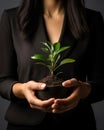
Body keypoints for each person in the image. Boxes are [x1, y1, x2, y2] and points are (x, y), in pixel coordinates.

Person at [0, 0, 104, 129]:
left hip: (76, 123)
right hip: (24, 124)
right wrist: (23, 90)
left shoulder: (92, 20)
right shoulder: (11, 18)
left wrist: (83, 90)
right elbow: (3, 80)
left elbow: (101, 84)